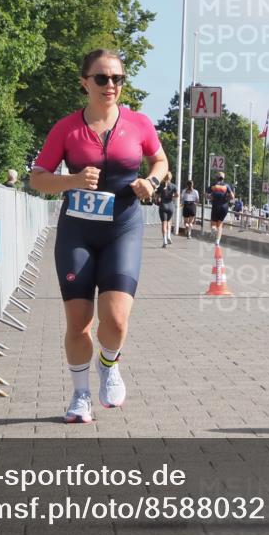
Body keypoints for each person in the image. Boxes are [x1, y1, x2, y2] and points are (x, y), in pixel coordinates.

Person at [29, 49, 167, 424]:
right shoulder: (67, 128)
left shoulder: (139, 124)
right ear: (85, 82)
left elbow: (160, 160)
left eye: (117, 79)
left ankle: (109, 364)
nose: (111, 86)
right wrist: (72, 180)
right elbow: (38, 178)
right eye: (102, 78)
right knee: (78, 322)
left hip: (122, 228)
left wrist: (150, 182)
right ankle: (80, 396)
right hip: (78, 231)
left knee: (117, 320)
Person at [207, 172, 234, 246]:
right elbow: (232, 196)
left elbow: (207, 195)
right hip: (224, 206)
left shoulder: (213, 185)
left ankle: (213, 229)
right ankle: (217, 241)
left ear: (216, 177)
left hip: (215, 205)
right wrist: (226, 199)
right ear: (223, 178)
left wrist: (211, 197)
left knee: (213, 223)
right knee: (220, 224)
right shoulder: (227, 186)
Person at [153, 172, 178, 246]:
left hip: (163, 206)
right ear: (171, 177)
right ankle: (169, 236)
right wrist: (172, 196)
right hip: (170, 206)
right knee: (169, 222)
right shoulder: (173, 186)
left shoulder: (161, 186)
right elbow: (177, 195)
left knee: (164, 223)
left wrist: (158, 198)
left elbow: (156, 195)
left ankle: (164, 241)